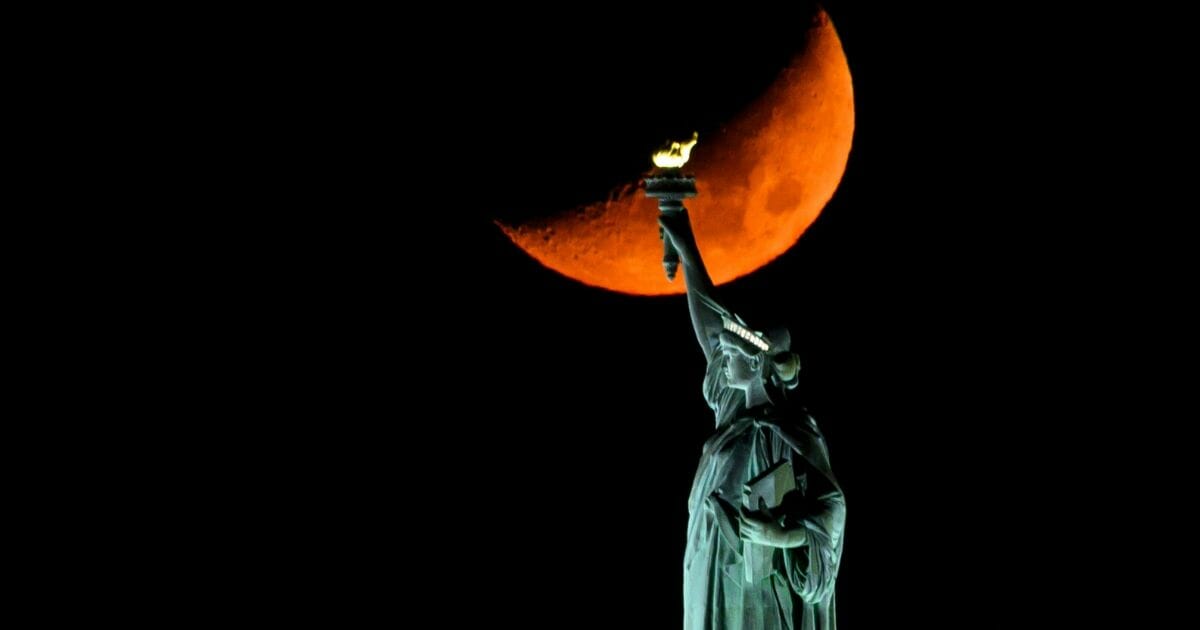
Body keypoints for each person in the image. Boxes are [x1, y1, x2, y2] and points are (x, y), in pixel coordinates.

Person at [659, 208, 846, 630]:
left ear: (757, 364)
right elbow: (711, 328)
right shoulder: (733, 410)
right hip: (710, 564)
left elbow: (833, 507)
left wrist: (782, 536)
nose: (722, 357)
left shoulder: (792, 429)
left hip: (757, 581)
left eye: (732, 354)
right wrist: (687, 249)